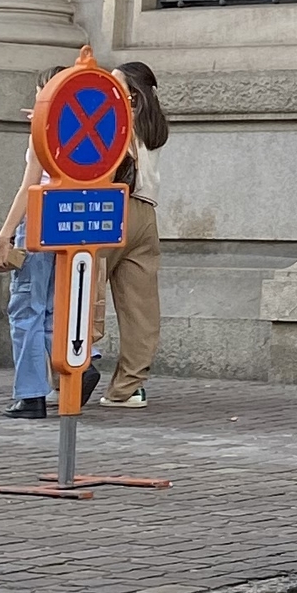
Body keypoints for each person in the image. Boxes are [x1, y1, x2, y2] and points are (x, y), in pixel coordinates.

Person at [0, 69, 101, 420]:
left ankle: (31, 394)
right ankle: (83, 365)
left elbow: (29, 186)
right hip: (72, 222)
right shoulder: (87, 130)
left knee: (25, 310)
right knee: (54, 307)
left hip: (38, 222)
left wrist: (5, 233)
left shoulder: (43, 132)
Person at [102, 60, 168, 408]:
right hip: (147, 213)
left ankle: (76, 367)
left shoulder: (119, 118)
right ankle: (129, 387)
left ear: (131, 93)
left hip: (114, 205)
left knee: (86, 288)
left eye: (116, 85)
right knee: (141, 308)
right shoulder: (154, 122)